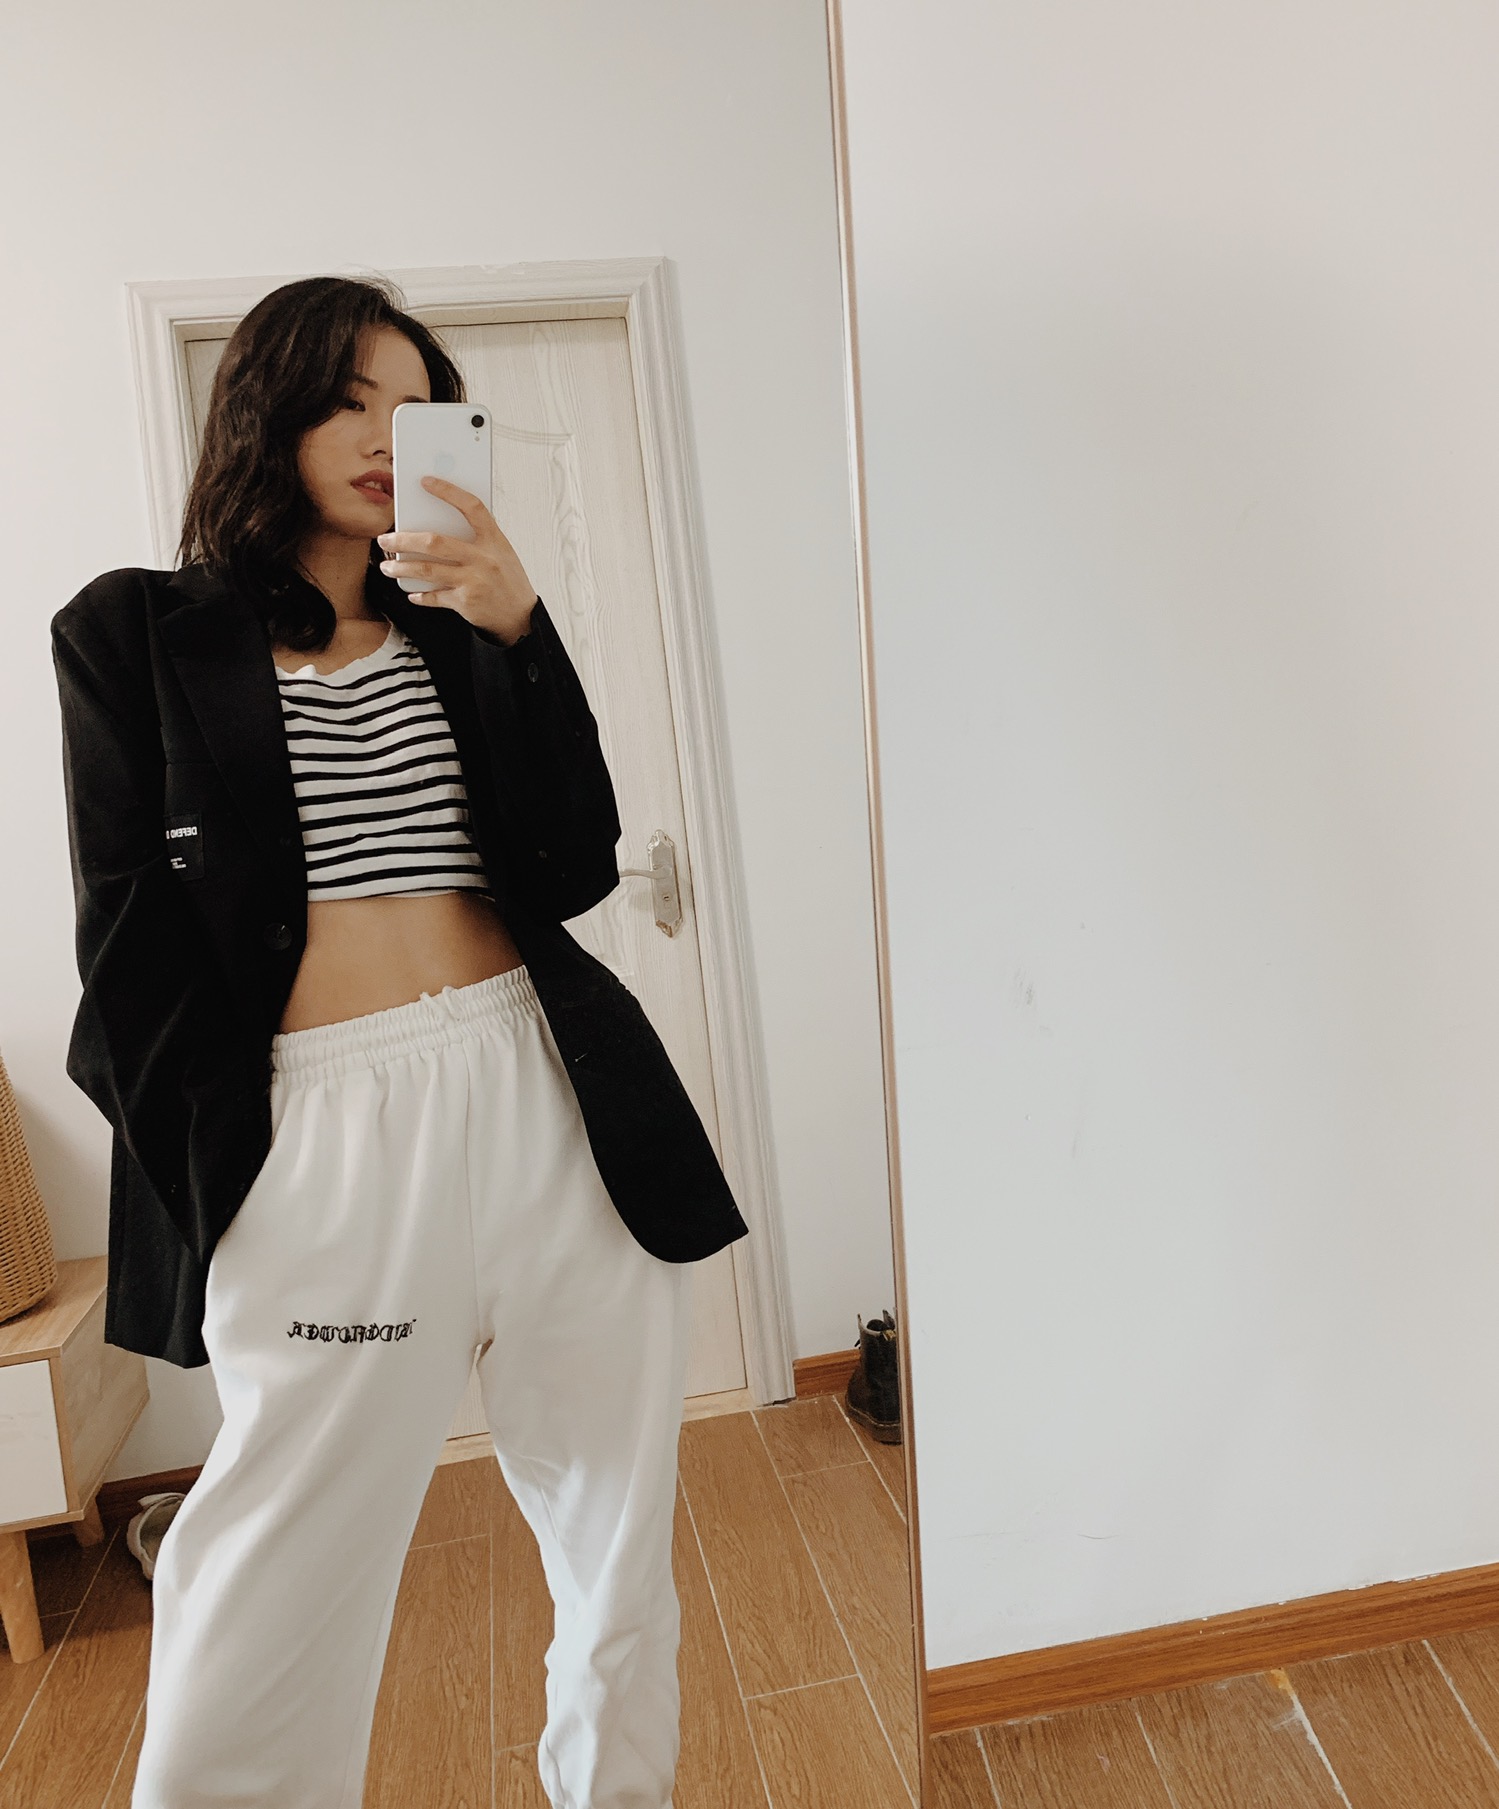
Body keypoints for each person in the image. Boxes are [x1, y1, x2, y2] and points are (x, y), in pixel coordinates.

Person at [51, 274, 750, 1809]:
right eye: (350, 398)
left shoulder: (458, 623)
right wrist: (231, 1172)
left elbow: (570, 864)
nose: (386, 435)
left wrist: (519, 630)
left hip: (547, 1100)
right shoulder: (137, 633)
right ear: (269, 409)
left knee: (618, 1549)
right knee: (270, 1568)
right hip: (328, 1137)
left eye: (416, 405)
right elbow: (126, 947)